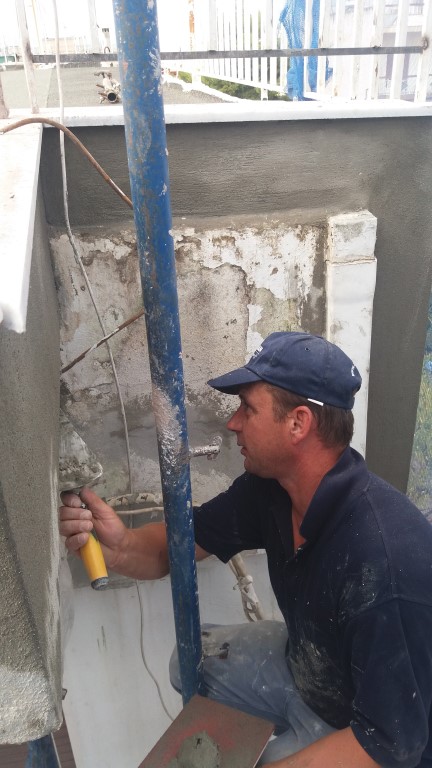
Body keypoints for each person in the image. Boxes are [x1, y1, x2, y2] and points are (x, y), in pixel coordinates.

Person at [60, 331, 432, 768]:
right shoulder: (271, 491)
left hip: (361, 729)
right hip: (308, 670)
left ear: (298, 424)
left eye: (248, 408)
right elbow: (178, 548)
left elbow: (391, 743)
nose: (233, 423)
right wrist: (121, 546)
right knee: (190, 662)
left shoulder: (383, 562)